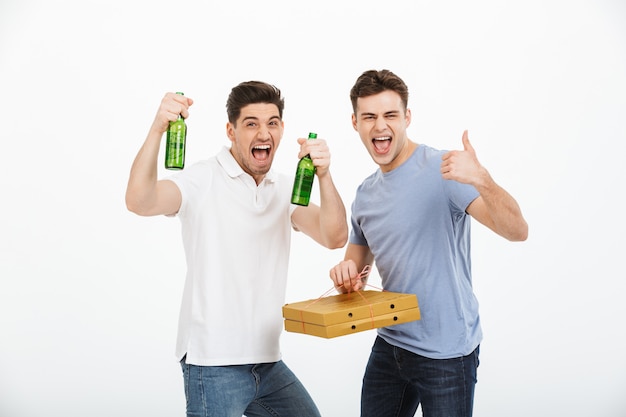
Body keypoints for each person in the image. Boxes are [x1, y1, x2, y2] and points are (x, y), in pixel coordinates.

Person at [125, 81, 348, 417]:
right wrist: (158, 128)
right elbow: (139, 201)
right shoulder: (201, 179)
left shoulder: (286, 187)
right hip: (214, 363)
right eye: (251, 123)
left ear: (282, 129)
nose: (263, 133)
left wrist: (325, 176)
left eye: (272, 123)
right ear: (231, 130)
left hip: (268, 363)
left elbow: (335, 237)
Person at [329, 69, 528, 417]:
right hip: (390, 346)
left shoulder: (444, 170)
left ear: (407, 117)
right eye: (369, 117)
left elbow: (517, 230)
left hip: (447, 354)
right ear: (355, 122)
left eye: (390, 115)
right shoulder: (365, 195)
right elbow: (356, 277)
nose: (380, 126)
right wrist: (346, 274)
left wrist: (481, 177)